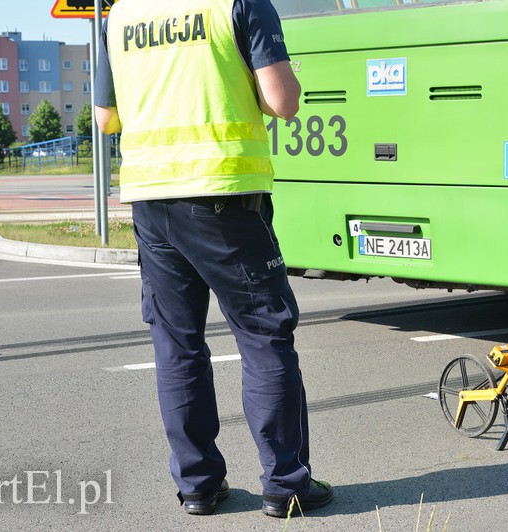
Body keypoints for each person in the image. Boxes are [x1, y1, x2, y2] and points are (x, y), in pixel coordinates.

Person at [94, 0, 333, 518]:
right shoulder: (238, 3)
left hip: (151, 201)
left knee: (176, 344)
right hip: (223, 196)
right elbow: (283, 101)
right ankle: (286, 483)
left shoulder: (121, 15)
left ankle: (198, 485)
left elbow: (105, 117)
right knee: (265, 337)